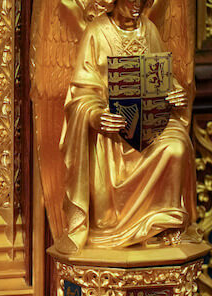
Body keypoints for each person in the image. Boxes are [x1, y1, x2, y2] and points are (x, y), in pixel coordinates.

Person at [58, 0, 197, 252]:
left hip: (151, 125)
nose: (137, 6)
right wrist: (95, 116)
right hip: (112, 133)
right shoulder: (97, 32)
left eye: (142, 1)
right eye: (131, 0)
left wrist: (177, 95)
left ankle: (165, 224)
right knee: (113, 140)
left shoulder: (149, 29)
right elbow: (81, 93)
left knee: (177, 146)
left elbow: (162, 78)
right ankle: (113, 224)